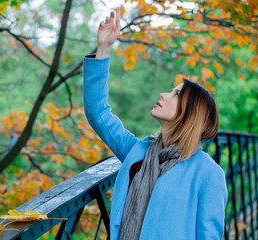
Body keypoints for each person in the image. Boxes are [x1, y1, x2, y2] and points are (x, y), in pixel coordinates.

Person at [83, 7, 228, 240]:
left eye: (176, 94)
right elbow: (97, 112)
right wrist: (104, 48)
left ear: (192, 113)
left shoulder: (208, 174)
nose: (163, 94)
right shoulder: (138, 152)